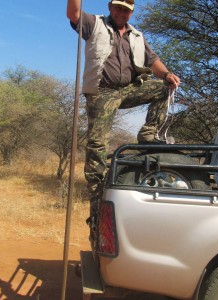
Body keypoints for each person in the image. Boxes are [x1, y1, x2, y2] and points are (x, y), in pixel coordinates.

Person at [66, 0, 181, 223]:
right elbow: (73, 13)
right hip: (102, 92)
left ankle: (148, 134)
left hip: (129, 89)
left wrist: (167, 74)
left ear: (131, 13)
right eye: (118, 8)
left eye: (126, 10)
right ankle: (97, 198)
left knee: (163, 88)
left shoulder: (136, 35)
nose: (122, 13)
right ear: (110, 7)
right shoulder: (94, 23)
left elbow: (153, 60)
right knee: (97, 145)